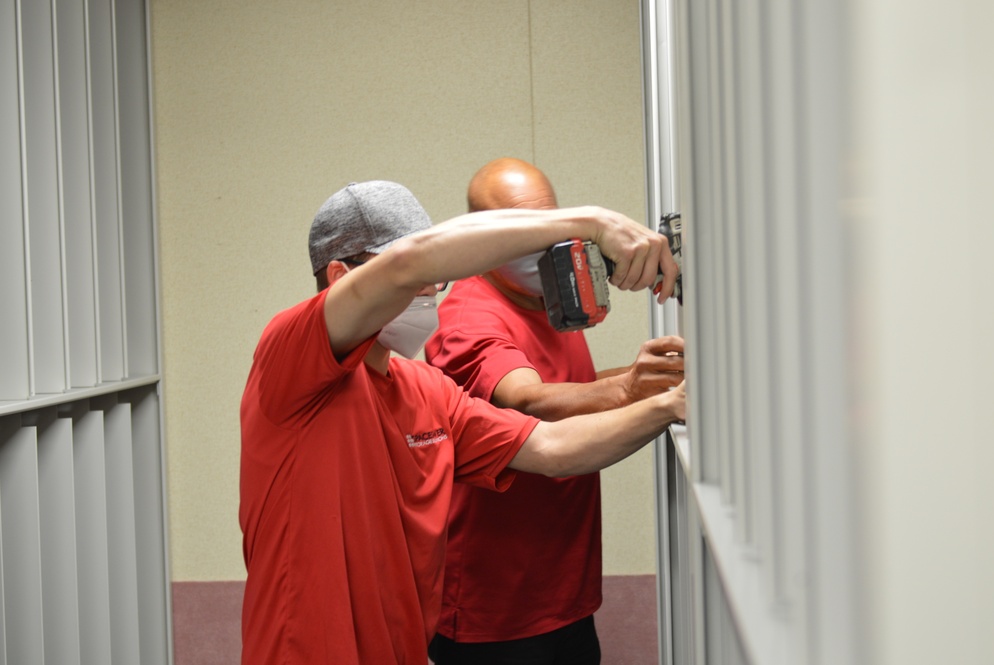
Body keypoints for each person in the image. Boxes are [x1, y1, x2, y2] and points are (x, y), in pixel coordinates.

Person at [239, 179, 684, 665]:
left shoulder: (427, 391)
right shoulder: (290, 361)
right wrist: (593, 223)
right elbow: (412, 262)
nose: (429, 290)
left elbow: (553, 447)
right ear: (341, 277)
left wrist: (669, 405)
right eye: (414, 283)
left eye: (434, 280)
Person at [423, 158, 685, 664]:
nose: (544, 245)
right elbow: (529, 401)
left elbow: (574, 390)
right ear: (486, 240)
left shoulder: (548, 296)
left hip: (564, 593)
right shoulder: (468, 314)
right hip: (495, 614)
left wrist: (650, 378)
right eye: (523, 232)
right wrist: (635, 389)